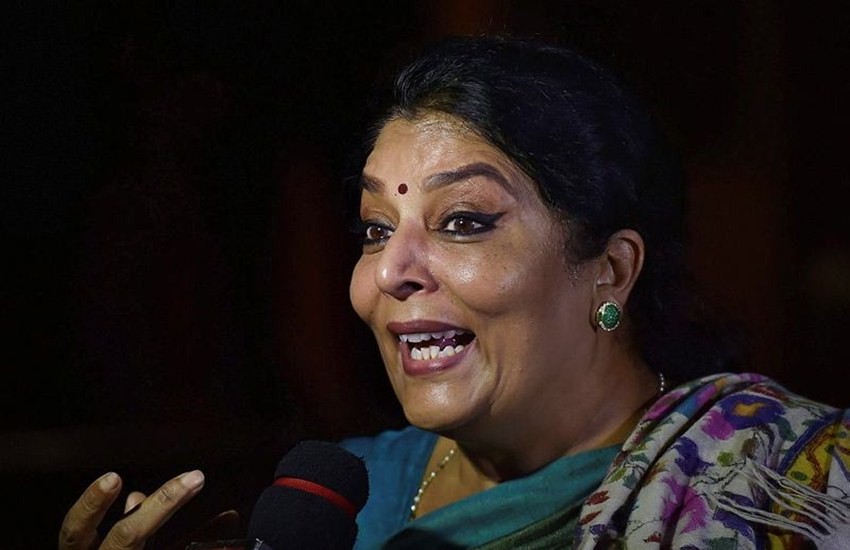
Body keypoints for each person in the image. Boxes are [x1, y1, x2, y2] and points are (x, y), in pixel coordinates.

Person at [59, 35, 850, 549]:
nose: (389, 272)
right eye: (376, 229)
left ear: (610, 271)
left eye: (464, 221)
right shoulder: (345, 500)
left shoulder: (771, 485)